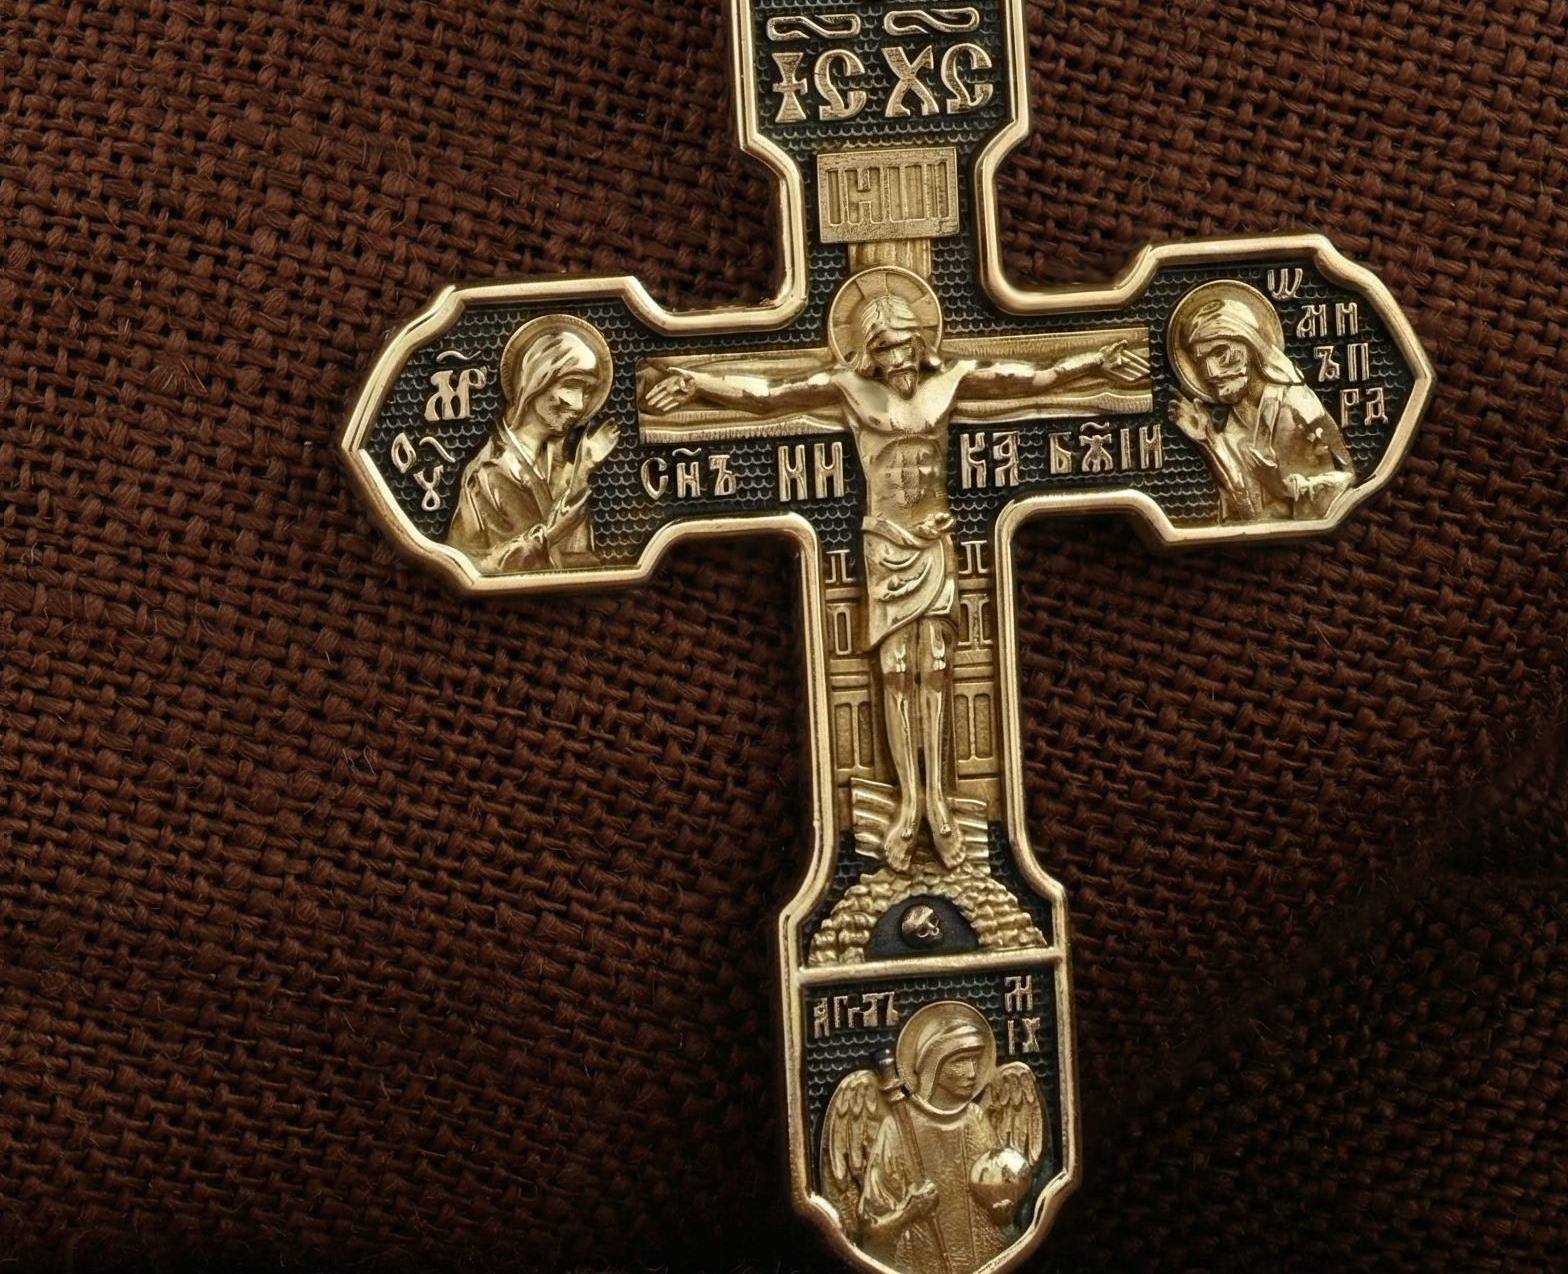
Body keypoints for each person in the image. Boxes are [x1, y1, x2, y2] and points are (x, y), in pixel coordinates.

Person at [644, 273, 1145, 870]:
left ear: (920, 340)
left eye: (905, 342)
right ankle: (909, 802)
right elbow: (769, 395)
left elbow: (1031, 377)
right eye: (883, 346)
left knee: (938, 665)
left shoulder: (951, 380)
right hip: (885, 545)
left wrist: (1095, 362)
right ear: (867, 351)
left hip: (934, 543)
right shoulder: (848, 388)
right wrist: (697, 382)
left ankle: (938, 800)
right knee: (897, 670)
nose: (898, 355)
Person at [821, 1001, 1045, 1274]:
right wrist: (908, 1213)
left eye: (975, 1060)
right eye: (959, 1062)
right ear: (934, 1065)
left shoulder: (977, 1120)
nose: (972, 1072)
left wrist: (1003, 1210)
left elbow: (999, 1219)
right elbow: (870, 1236)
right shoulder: (896, 1128)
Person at [1168, 281, 1352, 524]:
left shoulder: (1297, 405)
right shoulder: (1235, 419)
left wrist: (1283, 487)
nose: (1209, 372)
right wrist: (1208, 440)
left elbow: (1347, 480)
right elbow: (1245, 507)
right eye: (1199, 360)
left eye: (1220, 352)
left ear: (1251, 346)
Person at [448, 315, 619, 574]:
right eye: (571, 386)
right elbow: (473, 566)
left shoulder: (564, 469)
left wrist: (581, 472)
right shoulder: (487, 473)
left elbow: (578, 559)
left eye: (587, 392)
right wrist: (549, 534)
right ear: (536, 381)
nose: (579, 405)